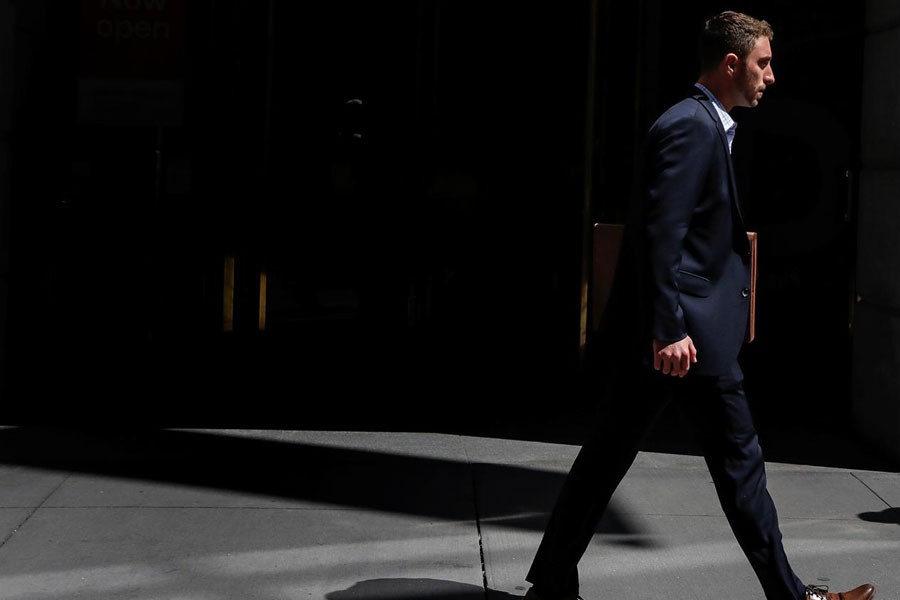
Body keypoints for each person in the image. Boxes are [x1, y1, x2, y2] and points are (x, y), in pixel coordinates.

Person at [523, 11, 876, 600]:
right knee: (739, 469)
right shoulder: (691, 126)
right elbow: (661, 233)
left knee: (607, 460)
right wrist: (669, 330)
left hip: (673, 336)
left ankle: (551, 586)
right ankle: (791, 598)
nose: (771, 75)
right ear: (731, 63)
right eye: (763, 63)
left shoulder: (704, 124)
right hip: (685, 342)